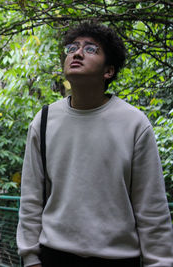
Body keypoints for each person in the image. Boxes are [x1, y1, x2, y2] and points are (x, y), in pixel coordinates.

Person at [16, 22, 173, 267]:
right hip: (54, 256)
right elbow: (31, 199)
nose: (77, 53)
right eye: (72, 48)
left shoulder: (134, 123)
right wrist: (30, 257)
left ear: (108, 71)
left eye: (90, 49)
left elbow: (151, 207)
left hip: (117, 259)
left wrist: (160, 262)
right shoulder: (44, 120)